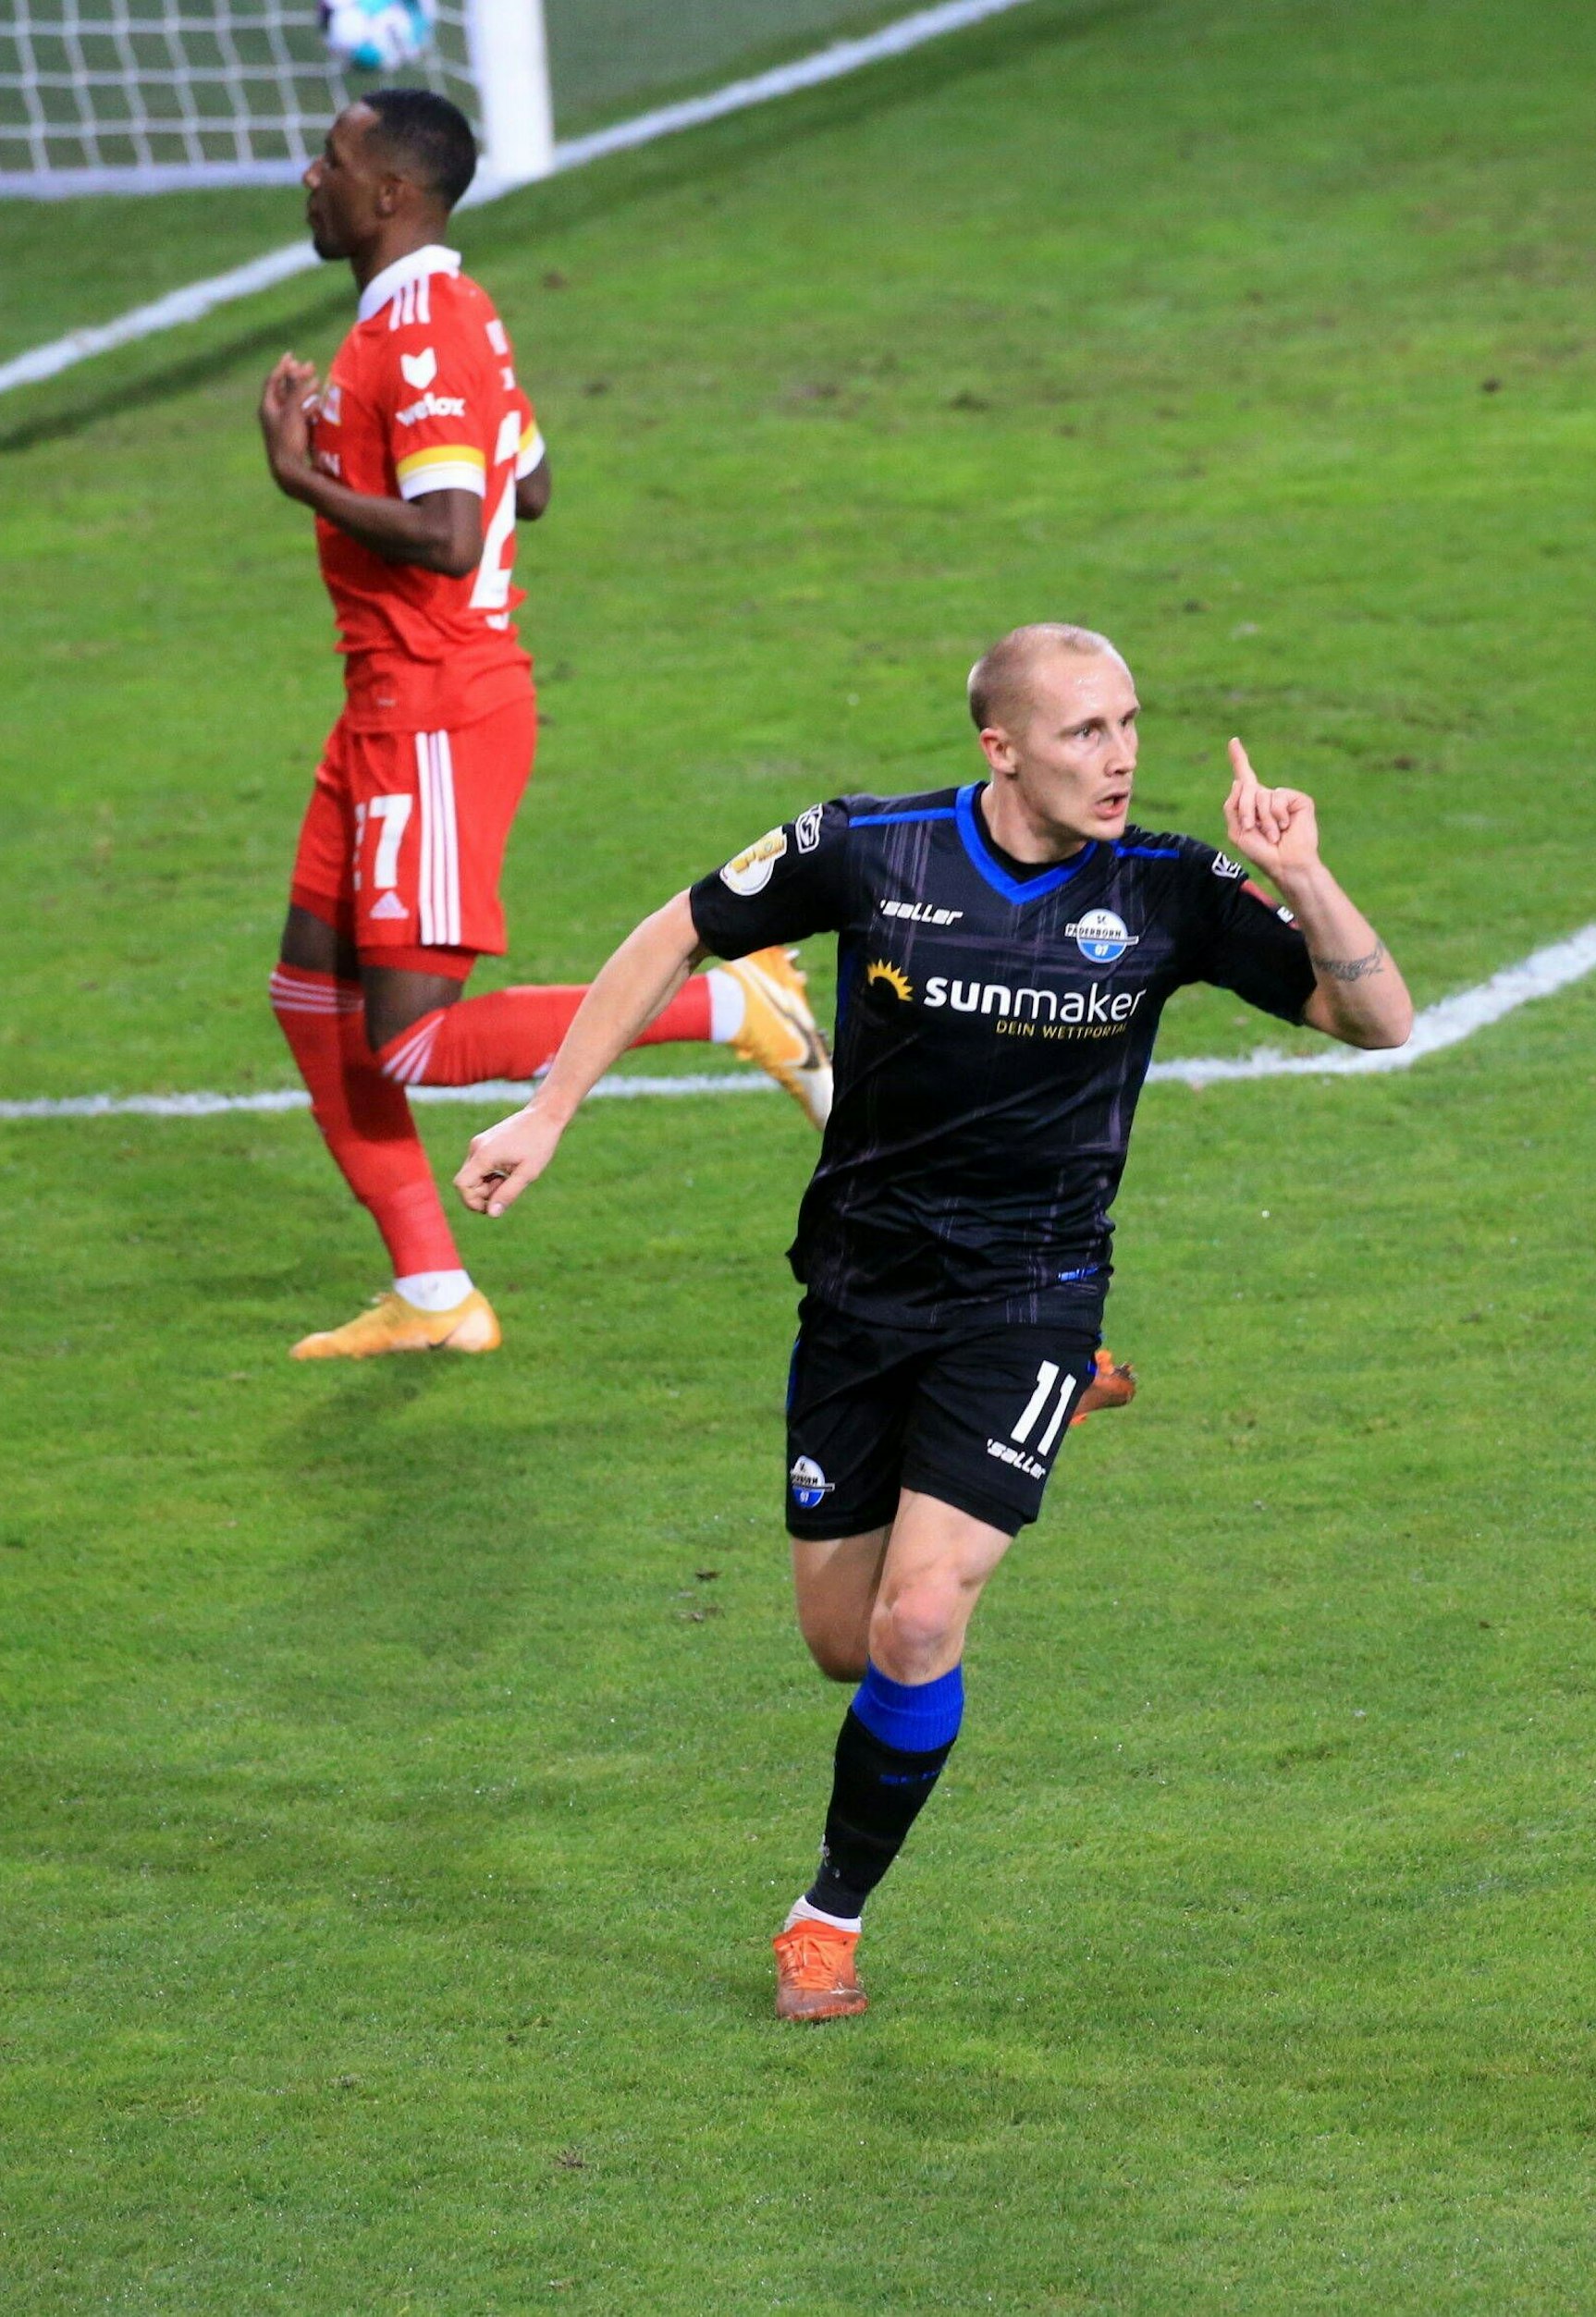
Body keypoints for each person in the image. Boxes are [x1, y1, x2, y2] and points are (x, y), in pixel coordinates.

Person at [453, 623, 1413, 2018]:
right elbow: (678, 930)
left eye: (1132, 723)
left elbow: (1376, 1019)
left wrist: (1305, 879)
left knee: (916, 1619)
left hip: (1031, 1292)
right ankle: (1024, 1414)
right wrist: (549, 1107)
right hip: (859, 1290)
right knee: (844, 1641)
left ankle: (825, 1917)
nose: (1124, 755)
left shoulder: (1167, 888)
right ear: (1001, 746)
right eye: (1086, 731)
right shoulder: (873, 848)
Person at [259, 89, 829, 1361]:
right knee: (309, 992)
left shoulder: (418, 334)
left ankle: (738, 1005)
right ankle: (431, 1296)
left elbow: (461, 528)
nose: (313, 175)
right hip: (383, 707)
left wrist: (303, 475)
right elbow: (532, 481)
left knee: (407, 1038)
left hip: (436, 715)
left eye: (336, 159)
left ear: (393, 195)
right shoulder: (443, 313)